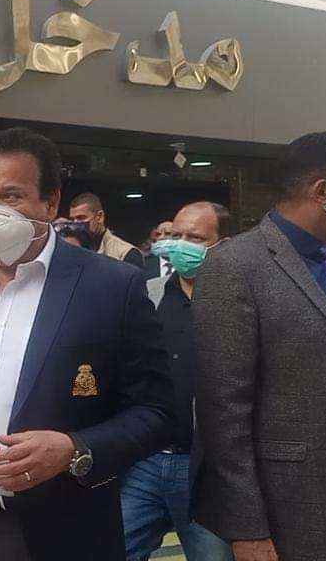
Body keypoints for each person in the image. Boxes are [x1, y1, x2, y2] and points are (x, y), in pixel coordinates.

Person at [0, 126, 173, 561]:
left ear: (51, 202)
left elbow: (155, 411)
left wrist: (74, 449)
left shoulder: (111, 286)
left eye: (11, 196)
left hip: (65, 528)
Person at [192, 132, 326, 561]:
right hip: (291, 514)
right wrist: (247, 528)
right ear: (322, 192)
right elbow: (223, 412)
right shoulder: (236, 267)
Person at [122, 202, 233, 561]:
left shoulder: (238, 303)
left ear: (222, 244)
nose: (180, 245)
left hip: (206, 469)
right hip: (145, 460)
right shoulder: (149, 293)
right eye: (176, 235)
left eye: (195, 238)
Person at [69, 193, 145, 268]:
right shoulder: (72, 249)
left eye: (81, 218)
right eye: (73, 220)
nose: (75, 224)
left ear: (100, 216)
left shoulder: (125, 253)